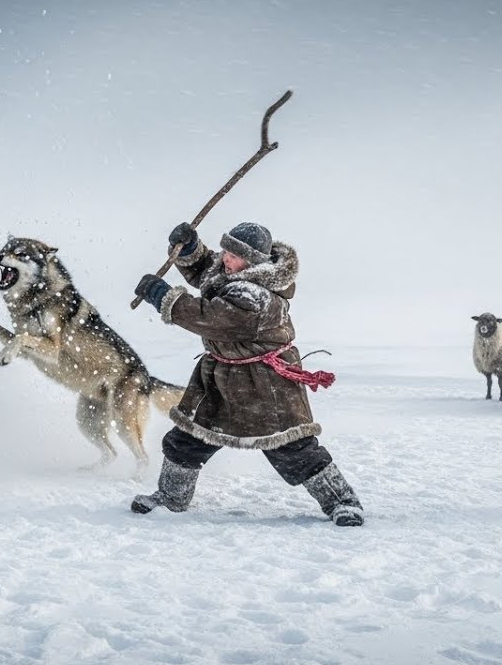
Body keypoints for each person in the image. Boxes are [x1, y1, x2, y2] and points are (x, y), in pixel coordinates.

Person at [130, 221, 365, 526]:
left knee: (292, 449)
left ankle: (343, 502)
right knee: (186, 439)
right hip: (220, 378)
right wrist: (191, 250)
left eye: (233, 255)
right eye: (225, 250)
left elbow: (209, 317)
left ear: (253, 262)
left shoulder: (257, 298)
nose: (225, 258)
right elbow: (208, 272)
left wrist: (164, 297)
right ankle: (171, 497)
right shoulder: (234, 273)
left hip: (265, 384)